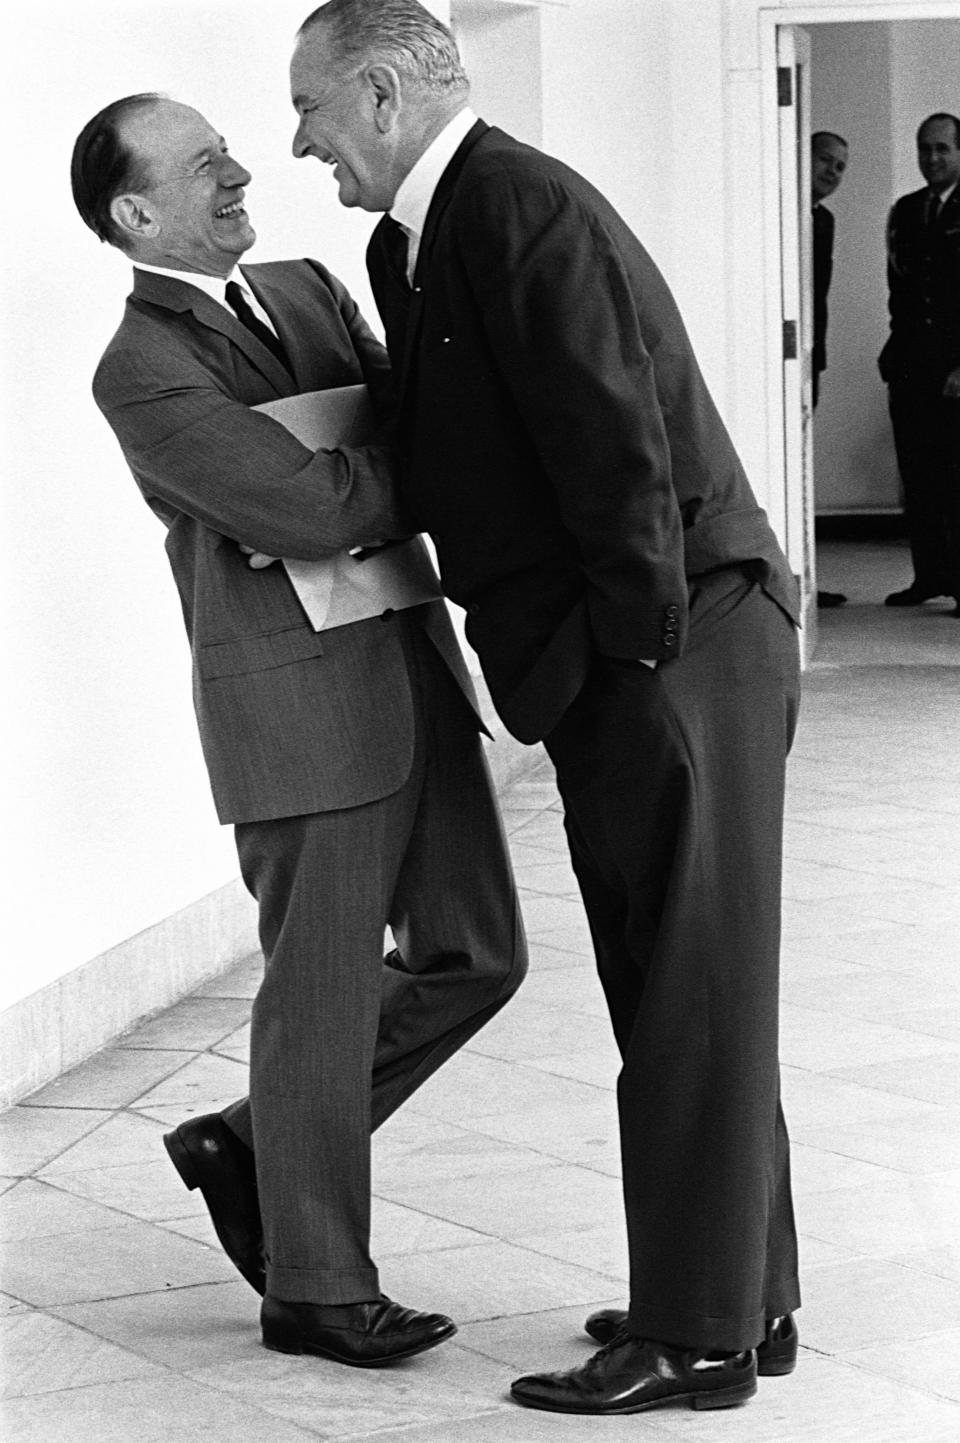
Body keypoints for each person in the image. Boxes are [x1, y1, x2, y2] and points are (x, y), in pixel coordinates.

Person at [286, 0, 802, 1417]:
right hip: (652, 648)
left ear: (383, 93)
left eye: (312, 108)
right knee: (684, 979)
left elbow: (614, 444)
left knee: (689, 982)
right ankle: (739, 1293)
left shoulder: (513, 206)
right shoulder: (423, 235)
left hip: (675, 643)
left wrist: (629, 673)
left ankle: (694, 1335)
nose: (299, 141)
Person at [71, 92, 526, 1369]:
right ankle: (317, 1287)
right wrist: (383, 459)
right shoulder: (141, 367)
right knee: (320, 1002)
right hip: (296, 712)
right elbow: (311, 509)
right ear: (136, 212)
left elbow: (376, 446)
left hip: (409, 667)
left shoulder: (311, 288)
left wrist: (355, 463)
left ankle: (249, 1142)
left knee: (477, 954)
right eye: (203, 162)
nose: (237, 172)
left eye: (229, 151)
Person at [879, 112, 960, 615]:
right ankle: (929, 575)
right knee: (919, 475)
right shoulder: (906, 211)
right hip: (910, 366)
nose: (932, 158)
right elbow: (900, 291)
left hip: (956, 370)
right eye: (924, 148)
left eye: (942, 149)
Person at [811, 130, 849, 608]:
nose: (833, 172)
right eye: (826, 160)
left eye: (841, 166)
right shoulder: (789, 209)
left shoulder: (826, 220)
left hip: (808, 354)